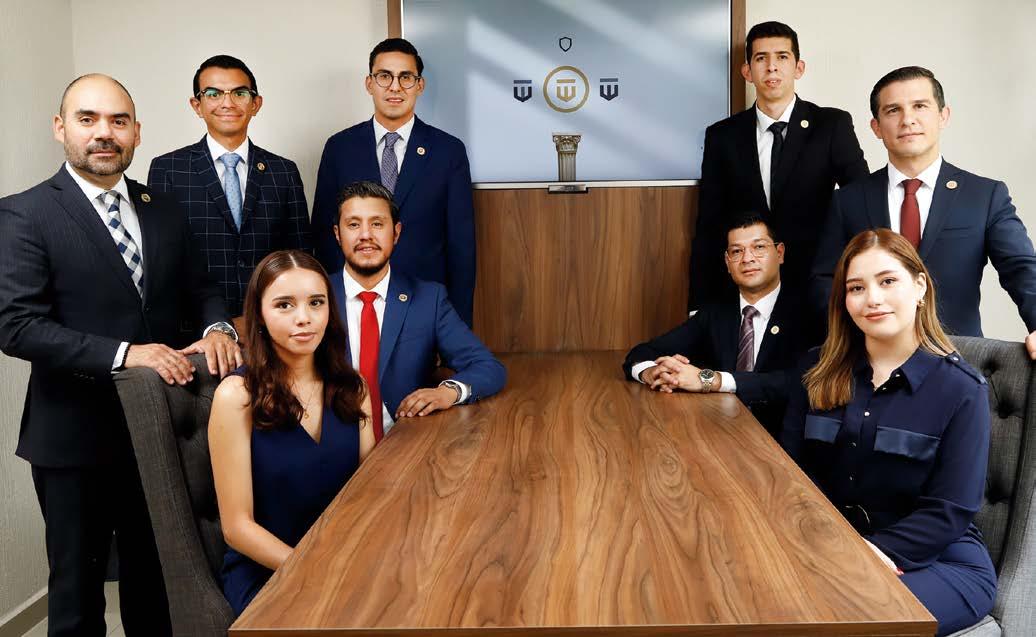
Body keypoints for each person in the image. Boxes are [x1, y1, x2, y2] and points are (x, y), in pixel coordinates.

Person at [0, 74, 241, 637]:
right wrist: (126, 353)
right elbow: (17, 327)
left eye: (119, 121)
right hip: (73, 440)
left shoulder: (164, 208)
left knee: (155, 591)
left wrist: (217, 327)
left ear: (137, 132)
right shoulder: (24, 214)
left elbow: (202, 287)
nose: (104, 133)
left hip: (160, 433)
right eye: (87, 119)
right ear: (60, 127)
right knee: (77, 600)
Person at [783, 229, 995, 637]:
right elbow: (791, 479)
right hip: (832, 549)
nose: (872, 299)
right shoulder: (814, 373)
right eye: (856, 288)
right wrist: (827, 550)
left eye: (887, 281)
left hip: (939, 561)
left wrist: (869, 554)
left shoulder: (962, 389)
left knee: (840, 616)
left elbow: (950, 510)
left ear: (919, 287)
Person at [811, 66, 1036, 354]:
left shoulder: (984, 195)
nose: (908, 119)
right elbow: (825, 282)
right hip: (870, 359)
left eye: (920, 106)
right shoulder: (848, 201)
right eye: (893, 110)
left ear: (943, 116)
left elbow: (1021, 268)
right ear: (876, 127)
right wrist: (850, 340)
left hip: (956, 355)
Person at [209, 250, 373, 614]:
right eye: (284, 305)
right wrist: (316, 570)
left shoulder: (354, 387)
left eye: (316, 302)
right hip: (271, 571)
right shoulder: (236, 396)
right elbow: (236, 527)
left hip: (345, 559)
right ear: (260, 316)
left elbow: (368, 495)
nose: (304, 318)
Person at [690, 21, 868, 309]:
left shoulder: (831, 125)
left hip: (816, 283)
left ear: (799, 68)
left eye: (782, 57)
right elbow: (709, 225)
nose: (772, 67)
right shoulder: (723, 136)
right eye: (761, 58)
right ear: (747, 72)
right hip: (747, 287)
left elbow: (861, 201)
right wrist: (699, 304)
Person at [311, 38, 477, 326]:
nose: (395, 87)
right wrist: (330, 312)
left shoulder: (448, 151)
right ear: (369, 83)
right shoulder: (340, 148)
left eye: (406, 77)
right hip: (354, 305)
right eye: (384, 76)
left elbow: (461, 246)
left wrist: (456, 324)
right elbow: (324, 237)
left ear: (420, 85)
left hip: (424, 306)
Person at [329, 180, 504, 442]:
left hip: (403, 444)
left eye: (377, 224)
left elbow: (488, 367)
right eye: (354, 225)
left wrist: (448, 392)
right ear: (337, 234)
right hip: (330, 448)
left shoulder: (428, 300)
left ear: (396, 233)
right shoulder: (314, 296)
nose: (365, 235)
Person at [149, 54, 312, 318]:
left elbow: (300, 258)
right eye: (213, 94)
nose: (227, 103)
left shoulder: (283, 171)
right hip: (194, 326)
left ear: (255, 104)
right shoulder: (168, 169)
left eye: (240, 93)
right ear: (197, 105)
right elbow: (163, 262)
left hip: (270, 321)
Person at [624, 214, 814, 435]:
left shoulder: (807, 313)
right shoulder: (716, 313)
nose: (747, 258)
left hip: (782, 440)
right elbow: (642, 352)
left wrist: (711, 380)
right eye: (737, 251)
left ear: (779, 253)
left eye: (759, 247)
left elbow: (801, 381)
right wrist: (652, 373)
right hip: (718, 431)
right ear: (727, 262)